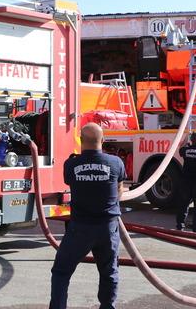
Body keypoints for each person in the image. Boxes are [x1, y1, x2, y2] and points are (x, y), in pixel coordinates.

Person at [50, 122, 126, 309]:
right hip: (107, 228)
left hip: (80, 229)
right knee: (109, 271)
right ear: (103, 140)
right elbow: (119, 191)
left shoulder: (72, 164)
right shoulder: (115, 163)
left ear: (81, 140)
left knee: (61, 272)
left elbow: (69, 180)